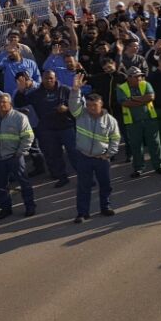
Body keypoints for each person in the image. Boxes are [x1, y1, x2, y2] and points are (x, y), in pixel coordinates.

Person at [68, 74, 122, 223]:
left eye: (95, 105)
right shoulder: (81, 115)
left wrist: (109, 154)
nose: (92, 108)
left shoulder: (110, 120)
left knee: (105, 185)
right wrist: (75, 91)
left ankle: (105, 207)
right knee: (83, 187)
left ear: (101, 105)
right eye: (89, 105)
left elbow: (115, 138)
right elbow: (73, 106)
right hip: (84, 157)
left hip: (101, 159)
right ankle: (82, 213)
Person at [0, 92, 36, 220]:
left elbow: (28, 136)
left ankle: (30, 206)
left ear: (10, 103)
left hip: (14, 157)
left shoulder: (20, 118)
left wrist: (20, 152)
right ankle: (5, 209)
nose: (1, 104)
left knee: (24, 183)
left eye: (4, 102)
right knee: (0, 186)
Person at [16, 69, 76, 187]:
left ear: (55, 78)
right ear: (42, 79)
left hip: (66, 127)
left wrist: (67, 109)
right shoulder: (36, 93)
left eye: (51, 78)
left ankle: (85, 176)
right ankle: (62, 177)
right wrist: (21, 91)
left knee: (75, 153)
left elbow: (78, 106)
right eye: (46, 78)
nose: (48, 80)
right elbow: (19, 103)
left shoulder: (65, 90)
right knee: (54, 155)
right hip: (48, 129)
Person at [119, 67, 161, 177]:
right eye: (136, 76)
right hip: (133, 122)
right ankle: (138, 168)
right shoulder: (121, 88)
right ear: (129, 78)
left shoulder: (145, 84)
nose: (140, 78)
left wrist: (134, 98)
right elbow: (125, 103)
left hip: (149, 119)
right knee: (136, 146)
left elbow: (151, 97)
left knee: (155, 144)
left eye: (140, 76)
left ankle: (159, 166)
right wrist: (142, 100)